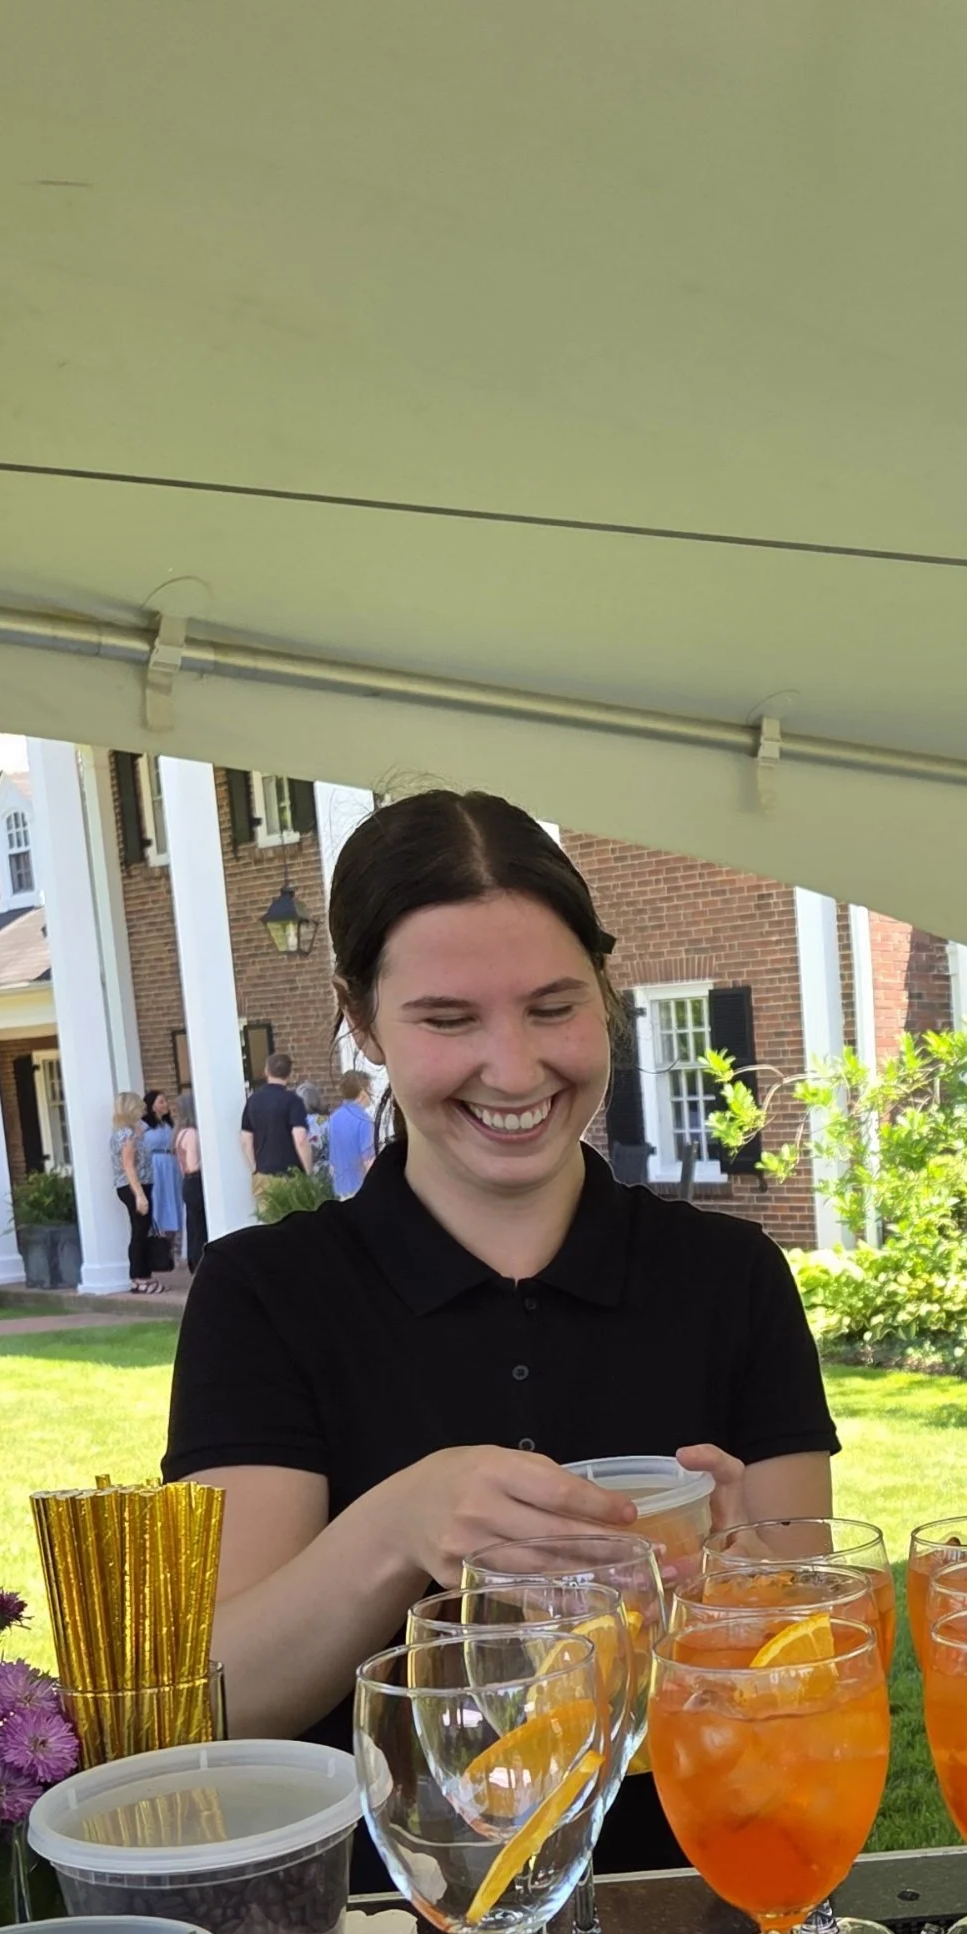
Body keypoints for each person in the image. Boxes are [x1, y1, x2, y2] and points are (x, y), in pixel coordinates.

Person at [163, 789, 839, 1873]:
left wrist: (739, 1579)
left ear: (606, 999)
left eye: (552, 1007)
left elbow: (809, 1662)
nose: (515, 1069)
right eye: (447, 1019)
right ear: (361, 1018)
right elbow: (219, 1694)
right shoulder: (268, 1294)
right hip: (393, 1931)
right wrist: (401, 1526)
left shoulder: (729, 1278)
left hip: (705, 1887)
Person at [108, 1091, 163, 1295]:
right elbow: (128, 1165)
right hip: (134, 1187)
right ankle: (139, 1278)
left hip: (135, 1185)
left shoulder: (127, 1131)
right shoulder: (126, 1135)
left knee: (141, 1230)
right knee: (140, 1232)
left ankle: (143, 1275)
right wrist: (139, 1195)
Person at [240, 1052, 313, 1180]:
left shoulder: (253, 1100)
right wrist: (309, 1172)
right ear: (289, 1074)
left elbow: (246, 1140)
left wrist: (255, 1169)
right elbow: (300, 1138)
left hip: (263, 1175)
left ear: (266, 1071)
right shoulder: (293, 1101)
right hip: (290, 1176)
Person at [138, 1089, 183, 1275]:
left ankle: (171, 1249)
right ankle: (157, 1250)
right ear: (152, 1105)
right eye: (161, 1101)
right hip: (155, 1165)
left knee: (173, 1203)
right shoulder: (144, 1125)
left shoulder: (169, 1124)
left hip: (170, 1164)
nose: (165, 1105)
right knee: (158, 1203)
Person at [321, 1069, 376, 1198]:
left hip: (340, 1189)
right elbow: (369, 1162)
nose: (373, 1094)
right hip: (361, 1190)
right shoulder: (364, 1121)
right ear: (363, 1094)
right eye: (370, 1090)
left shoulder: (334, 1118)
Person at [174, 1089, 208, 1271]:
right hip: (195, 1181)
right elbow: (193, 1164)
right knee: (200, 1225)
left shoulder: (179, 1133)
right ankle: (201, 1261)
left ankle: (194, 1262)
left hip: (187, 1182)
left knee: (193, 1223)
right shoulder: (192, 1134)